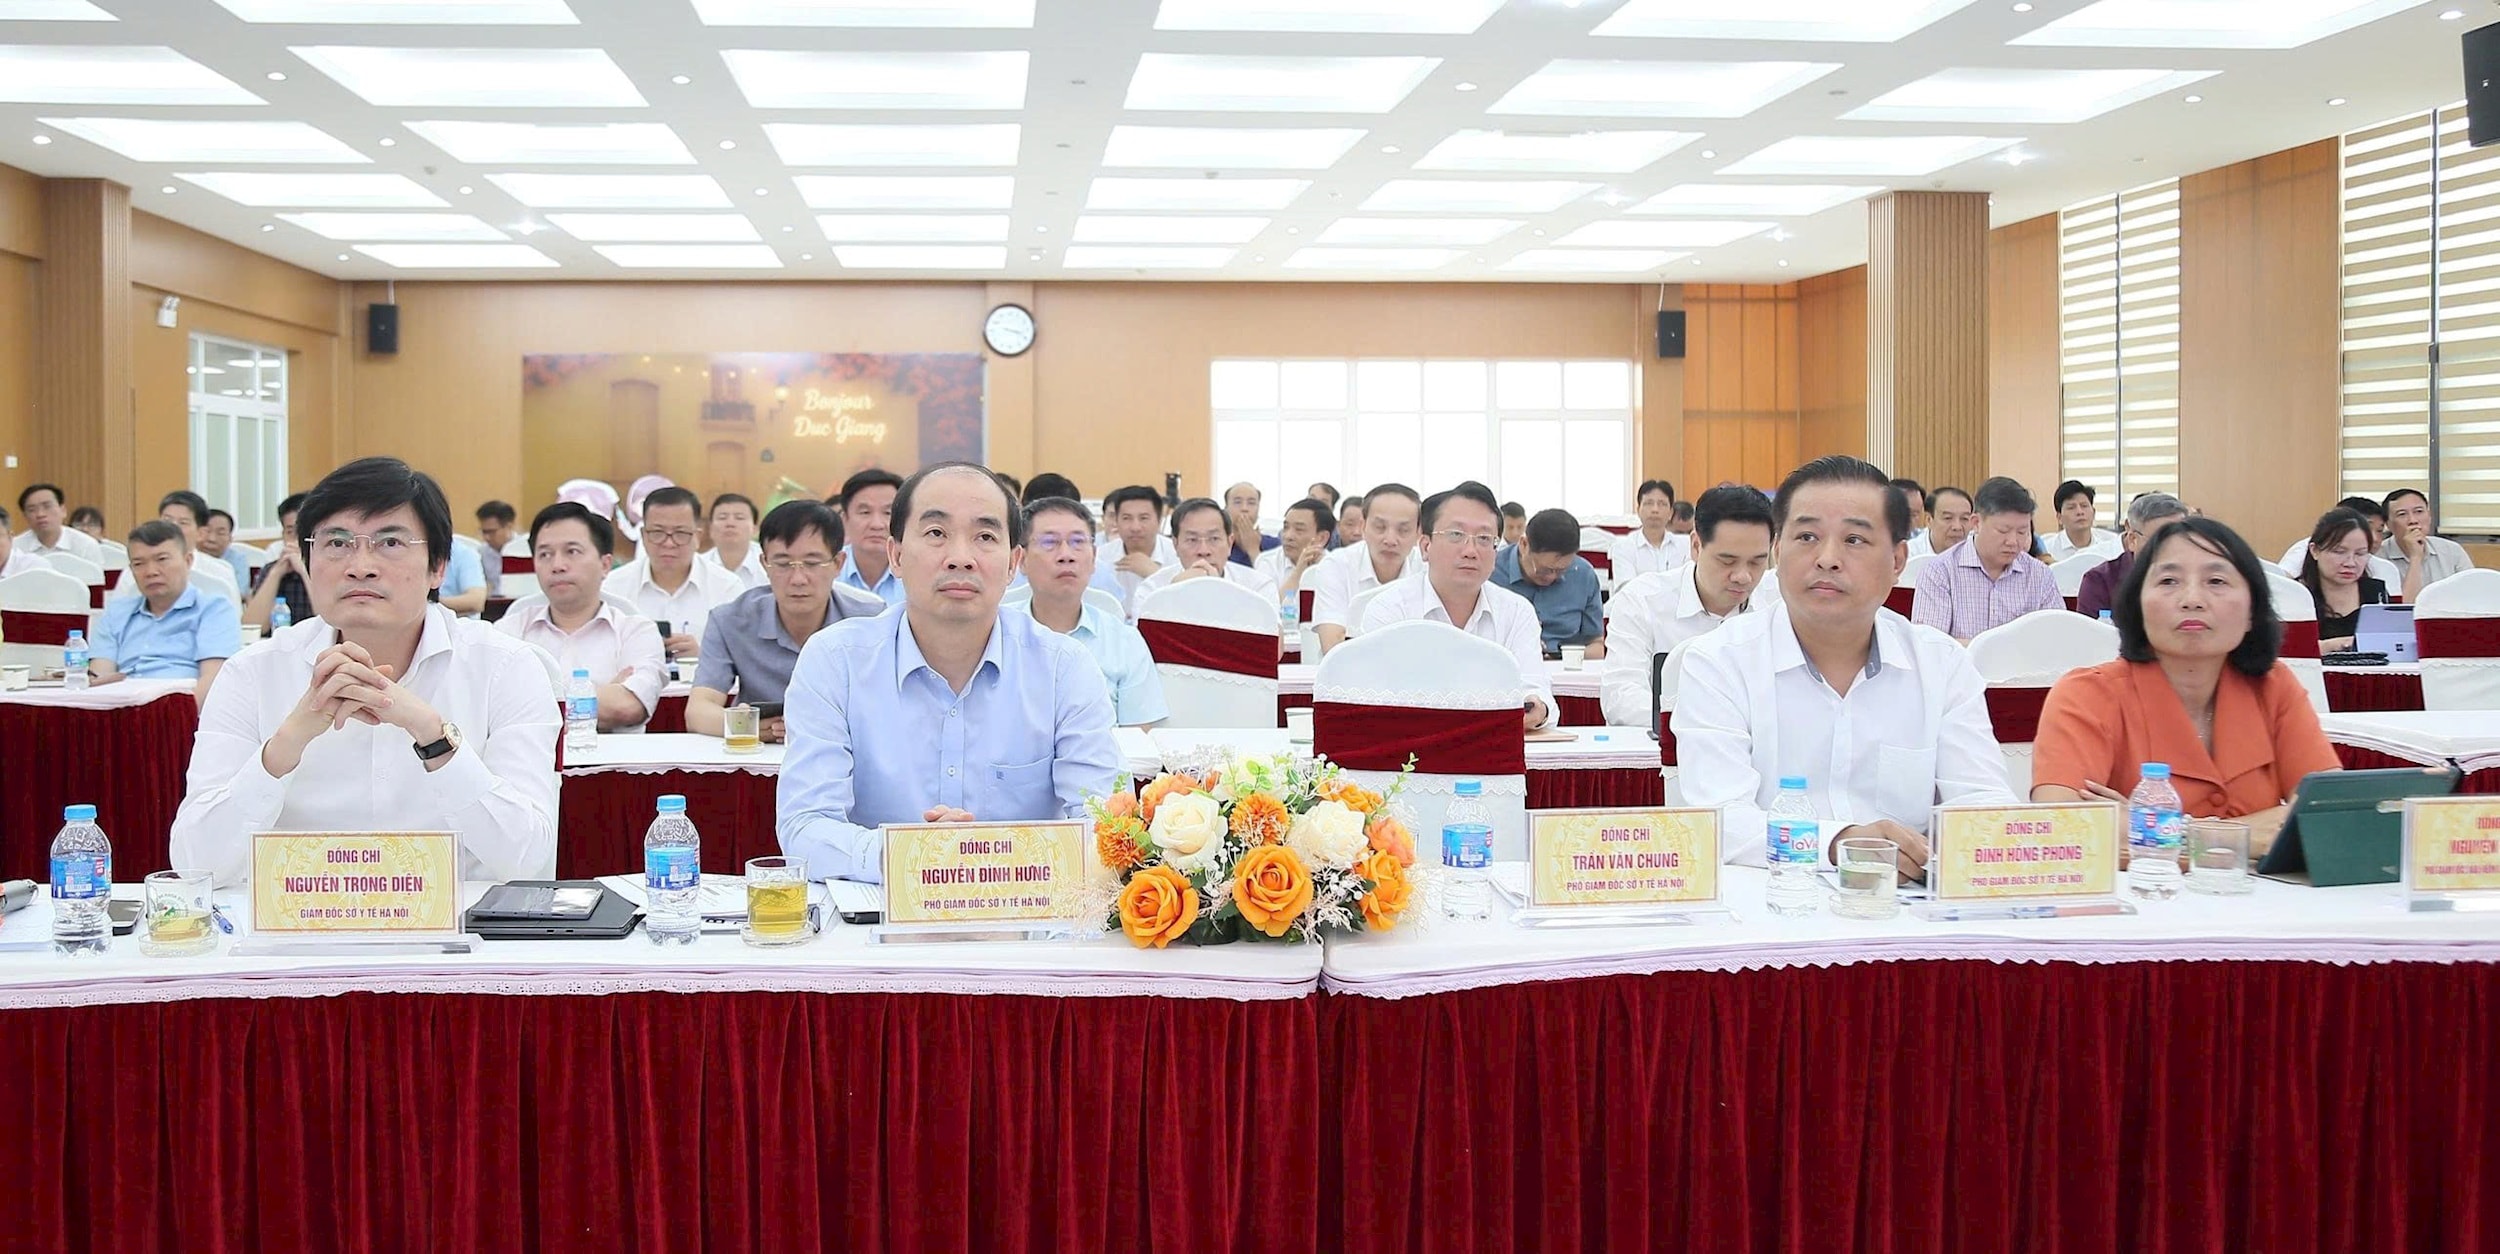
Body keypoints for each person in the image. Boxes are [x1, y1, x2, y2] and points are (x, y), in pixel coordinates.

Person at [169, 457, 561, 888]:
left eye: (390, 542)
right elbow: (195, 863)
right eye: (337, 543)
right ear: (308, 560)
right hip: (299, 924)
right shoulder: (252, 673)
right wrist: (284, 747)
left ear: (438, 567)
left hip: (461, 927)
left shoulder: (505, 667)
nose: (360, 566)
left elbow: (524, 859)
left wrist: (432, 734)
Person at [778, 462, 1122, 882]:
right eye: (936, 533)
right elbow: (805, 826)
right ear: (896, 555)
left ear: (1013, 563)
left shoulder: (1063, 668)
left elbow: (1107, 824)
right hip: (877, 909)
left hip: (1027, 910)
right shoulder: (836, 661)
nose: (961, 558)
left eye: (985, 537)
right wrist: (908, 855)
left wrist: (985, 857)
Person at [1674, 455, 2013, 873]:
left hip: (1905, 904)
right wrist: (1839, 844)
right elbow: (1720, 820)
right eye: (1807, 537)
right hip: (1770, 901)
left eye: (1854, 540)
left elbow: (1983, 803)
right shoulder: (1718, 662)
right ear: (1778, 551)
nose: (1828, 559)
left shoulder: (1942, 666)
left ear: (1897, 561)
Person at [2032, 516, 2340, 855]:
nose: (2192, 599)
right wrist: (2231, 836)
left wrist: (2141, 827)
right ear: (2137, 605)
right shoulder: (2086, 695)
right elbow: (2062, 828)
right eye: (2168, 581)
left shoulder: (2274, 686)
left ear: (2252, 610)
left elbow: (2331, 814)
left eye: (2216, 581)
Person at [689, 499, 886, 744]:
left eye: (812, 563)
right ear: (764, 564)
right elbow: (698, 711)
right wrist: (749, 727)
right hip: (759, 754)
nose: (798, 579)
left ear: (838, 564)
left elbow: (893, 708)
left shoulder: (871, 622)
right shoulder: (730, 620)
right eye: (782, 564)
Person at [1360, 481, 1555, 729]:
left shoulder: (1517, 611)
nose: (1471, 551)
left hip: (1493, 742)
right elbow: (1377, 698)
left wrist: (1537, 709)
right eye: (1456, 535)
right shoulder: (1389, 610)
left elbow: (1536, 688)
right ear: (1425, 546)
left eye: (1484, 538)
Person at [1599, 484, 1773, 726]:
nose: (1743, 577)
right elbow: (1620, 699)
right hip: (1671, 746)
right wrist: (1710, 720)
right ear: (1696, 546)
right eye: (1727, 561)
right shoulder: (1642, 600)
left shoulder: (1779, 602)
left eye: (1756, 562)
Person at [494, 502, 665, 732]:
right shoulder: (508, 631)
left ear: (605, 565)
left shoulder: (636, 631)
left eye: (572, 552)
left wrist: (528, 701)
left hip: (611, 754)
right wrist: (597, 697)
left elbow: (627, 707)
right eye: (545, 554)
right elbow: (489, 707)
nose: (557, 565)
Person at [1018, 496, 1167, 729]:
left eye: (1078, 542)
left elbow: (1140, 734)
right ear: (1021, 559)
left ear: (1094, 558)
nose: (1066, 555)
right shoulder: (991, 633)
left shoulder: (1124, 641)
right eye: (1049, 542)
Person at [88, 520, 242, 697]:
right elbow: (101, 679)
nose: (151, 571)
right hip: (123, 706)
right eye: (139, 564)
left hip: (182, 706)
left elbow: (213, 682)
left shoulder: (215, 610)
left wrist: (175, 714)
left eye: (162, 560)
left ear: (188, 560)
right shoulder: (117, 612)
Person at [602, 485, 742, 663]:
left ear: (697, 537)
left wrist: (703, 656)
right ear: (644, 536)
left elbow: (743, 657)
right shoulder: (613, 587)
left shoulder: (727, 587)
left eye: (680, 533)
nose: (668, 543)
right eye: (658, 533)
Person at [1913, 477, 2062, 642]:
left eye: (2022, 532)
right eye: (2003, 530)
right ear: (1976, 523)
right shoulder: (1939, 572)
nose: (2013, 541)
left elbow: (2056, 640)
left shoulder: (2040, 575)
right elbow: (1930, 644)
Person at [1308, 483, 1422, 653]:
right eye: (1380, 527)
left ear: (1419, 534)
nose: (1390, 540)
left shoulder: (1429, 568)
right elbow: (1333, 646)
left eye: (1403, 530)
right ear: (1363, 527)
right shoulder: (1336, 565)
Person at [1493, 507, 1607, 659]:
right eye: (1544, 570)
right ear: (1524, 544)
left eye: (1561, 571)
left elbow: (1597, 645)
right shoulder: (1491, 572)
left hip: (1565, 667)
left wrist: (1564, 656)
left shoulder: (1583, 575)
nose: (1551, 577)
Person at [1131, 497, 1280, 608]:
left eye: (1214, 539)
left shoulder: (1258, 587)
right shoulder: (1152, 590)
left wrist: (1217, 590)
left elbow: (1270, 637)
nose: (1203, 551)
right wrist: (1174, 594)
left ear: (1229, 544)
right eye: (1192, 540)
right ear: (1175, 545)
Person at [2077, 492, 2189, 620]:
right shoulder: (2100, 582)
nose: (2171, 548)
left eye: (2180, 539)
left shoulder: (2196, 577)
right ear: (2132, 540)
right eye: (2160, 540)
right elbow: (2087, 632)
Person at [2297, 507, 2387, 653]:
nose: (2350, 563)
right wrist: (2332, 646)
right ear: (2315, 551)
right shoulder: (2296, 594)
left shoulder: (2376, 593)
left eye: (2360, 554)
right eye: (2339, 552)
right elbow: (2285, 651)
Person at [2277, 496, 2400, 584]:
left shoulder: (2384, 569)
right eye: (2339, 552)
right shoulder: (2304, 550)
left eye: (2379, 530)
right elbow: (2282, 583)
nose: (2374, 538)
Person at [2380, 488, 2473, 601]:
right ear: (2388, 524)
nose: (2413, 520)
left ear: (2429, 516)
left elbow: (2471, 595)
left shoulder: (2452, 551)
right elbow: (2404, 607)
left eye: (2419, 512)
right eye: (2402, 514)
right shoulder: (2378, 557)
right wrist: (2415, 557)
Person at [154, 490, 241, 604]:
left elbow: (233, 614)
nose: (172, 528)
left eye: (183, 522)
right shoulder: (138, 570)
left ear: (201, 533)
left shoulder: (220, 573)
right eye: (167, 520)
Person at [834, 467, 906, 605]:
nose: (876, 524)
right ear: (845, 519)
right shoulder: (829, 569)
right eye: (865, 512)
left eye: (888, 513)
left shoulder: (917, 572)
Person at [1099, 484, 1177, 610]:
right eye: (1126, 518)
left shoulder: (1177, 555)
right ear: (1117, 521)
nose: (1135, 527)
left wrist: (1156, 575)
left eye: (1143, 518)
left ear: (1159, 521)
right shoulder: (1100, 558)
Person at [244, 492, 314, 630]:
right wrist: (275, 574)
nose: (297, 539)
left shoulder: (331, 568)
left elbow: (330, 624)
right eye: (290, 532)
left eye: (303, 532)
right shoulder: (273, 569)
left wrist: (304, 572)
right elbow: (252, 627)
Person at [1256, 497, 1335, 608]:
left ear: (1322, 538)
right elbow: (1265, 609)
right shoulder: (1267, 561)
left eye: (1299, 529)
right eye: (1286, 527)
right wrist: (1298, 572)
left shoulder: (1335, 567)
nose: (1288, 536)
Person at [1611, 479, 1691, 580]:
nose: (1655, 509)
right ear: (1638, 510)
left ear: (1671, 513)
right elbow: (1628, 588)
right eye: (1649, 503)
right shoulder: (1623, 547)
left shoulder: (1686, 546)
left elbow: (1688, 584)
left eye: (1662, 504)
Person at [13, 483, 104, 562]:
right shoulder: (15, 548)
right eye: (32, 510)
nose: (40, 514)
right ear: (25, 516)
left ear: (63, 510)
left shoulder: (86, 545)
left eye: (47, 506)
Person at [700, 492, 766, 590]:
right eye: (722, 518)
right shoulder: (698, 566)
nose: (730, 523)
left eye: (739, 518)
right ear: (711, 528)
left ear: (755, 529)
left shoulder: (769, 563)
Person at [2043, 480, 2121, 562]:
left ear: (2094, 512)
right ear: (2059, 518)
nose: (2080, 512)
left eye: (2084, 506)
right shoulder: (2047, 550)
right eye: (2071, 507)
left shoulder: (2112, 543)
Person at [1906, 485, 1973, 560]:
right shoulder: (1910, 554)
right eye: (1948, 518)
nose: (1957, 527)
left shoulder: (1977, 551)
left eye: (1964, 518)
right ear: (1929, 520)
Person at [199, 508, 256, 593]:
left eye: (220, 533)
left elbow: (240, 592)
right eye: (207, 531)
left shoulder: (238, 560)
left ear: (230, 538)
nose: (212, 539)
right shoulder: (187, 556)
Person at [1223, 481, 1277, 565]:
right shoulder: (1217, 545)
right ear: (1226, 508)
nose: (1244, 508)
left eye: (1251, 503)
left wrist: (1253, 550)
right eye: (1237, 502)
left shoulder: (1275, 546)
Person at [1890, 478, 1930, 548]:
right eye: (1907, 513)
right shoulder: (1873, 538)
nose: (1910, 520)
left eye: (1915, 514)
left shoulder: (1922, 540)